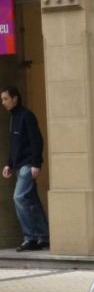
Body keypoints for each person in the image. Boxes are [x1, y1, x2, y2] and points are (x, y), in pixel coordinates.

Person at [1, 86, 49, 252]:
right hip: (20, 164)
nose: (3, 102)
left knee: (19, 197)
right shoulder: (13, 117)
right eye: (2, 100)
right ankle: (43, 236)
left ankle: (30, 238)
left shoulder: (26, 116)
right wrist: (8, 163)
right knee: (31, 200)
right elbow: (14, 145)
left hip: (28, 164)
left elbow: (37, 140)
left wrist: (36, 163)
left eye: (6, 99)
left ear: (15, 98)